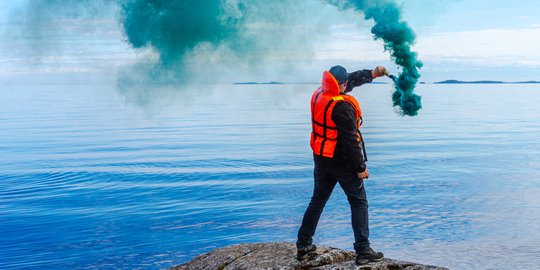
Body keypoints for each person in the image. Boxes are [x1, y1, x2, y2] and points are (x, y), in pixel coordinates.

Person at [296, 65, 387, 265]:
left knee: (317, 201)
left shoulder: (321, 93)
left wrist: (372, 74)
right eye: (346, 83)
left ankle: (303, 246)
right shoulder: (342, 107)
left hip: (321, 158)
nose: (349, 84)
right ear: (342, 84)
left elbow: (351, 80)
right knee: (358, 202)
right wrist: (360, 168)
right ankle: (363, 251)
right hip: (343, 162)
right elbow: (350, 142)